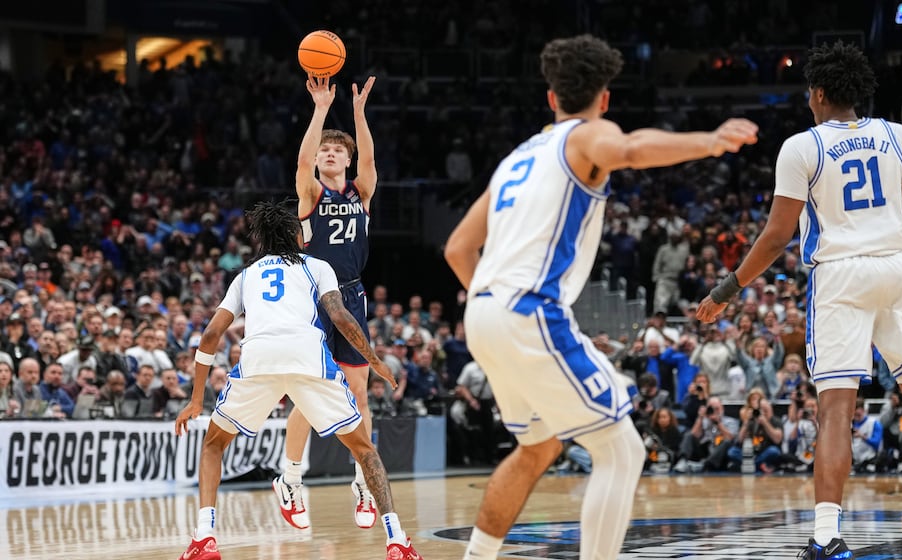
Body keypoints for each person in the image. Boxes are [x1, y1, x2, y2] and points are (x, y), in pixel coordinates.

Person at [444, 34, 757, 560]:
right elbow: (630, 151)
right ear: (604, 99)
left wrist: (493, 308)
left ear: (551, 98)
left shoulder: (518, 157)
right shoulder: (589, 135)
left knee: (537, 447)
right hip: (527, 308)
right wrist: (709, 140)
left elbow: (457, 248)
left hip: (482, 309)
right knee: (621, 449)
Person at [696, 41, 902, 560]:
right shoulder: (899, 136)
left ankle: (826, 537)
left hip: (840, 275)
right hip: (899, 267)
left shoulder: (802, 146)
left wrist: (727, 290)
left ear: (817, 94)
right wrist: (882, 238)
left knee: (836, 409)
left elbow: (775, 237)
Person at [174, 203, 421, 560]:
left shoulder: (245, 275)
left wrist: (196, 399)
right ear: (296, 236)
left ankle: (204, 537)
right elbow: (341, 317)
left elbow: (211, 334)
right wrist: (375, 360)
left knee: (213, 446)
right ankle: (396, 540)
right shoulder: (318, 266)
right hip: (308, 358)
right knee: (364, 450)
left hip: (258, 360)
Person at [285, 73, 383, 530]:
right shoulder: (311, 192)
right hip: (311, 296)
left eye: (338, 150)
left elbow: (370, 159)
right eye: (326, 149)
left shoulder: (360, 192)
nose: (330, 153)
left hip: (352, 294)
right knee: (308, 389)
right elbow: (302, 160)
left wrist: (359, 114)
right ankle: (290, 477)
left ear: (348, 159)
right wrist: (321, 109)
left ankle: (363, 482)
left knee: (358, 391)